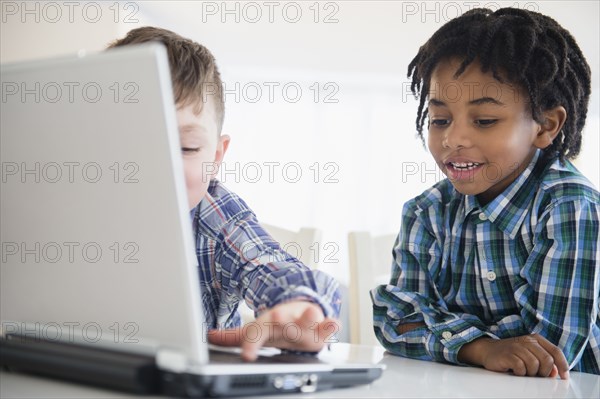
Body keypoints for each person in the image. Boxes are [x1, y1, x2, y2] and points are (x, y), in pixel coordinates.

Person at [371, 7, 599, 377]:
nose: (452, 138)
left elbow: (549, 352)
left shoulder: (569, 206)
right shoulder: (425, 212)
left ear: (547, 125)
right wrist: (481, 348)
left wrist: (443, 330)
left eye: (485, 121)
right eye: (440, 119)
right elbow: (395, 320)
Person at [108, 27, 341, 361]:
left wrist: (298, 305)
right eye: (131, 142)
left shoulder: (216, 218)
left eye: (186, 147)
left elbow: (267, 263)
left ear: (216, 157)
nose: (158, 166)